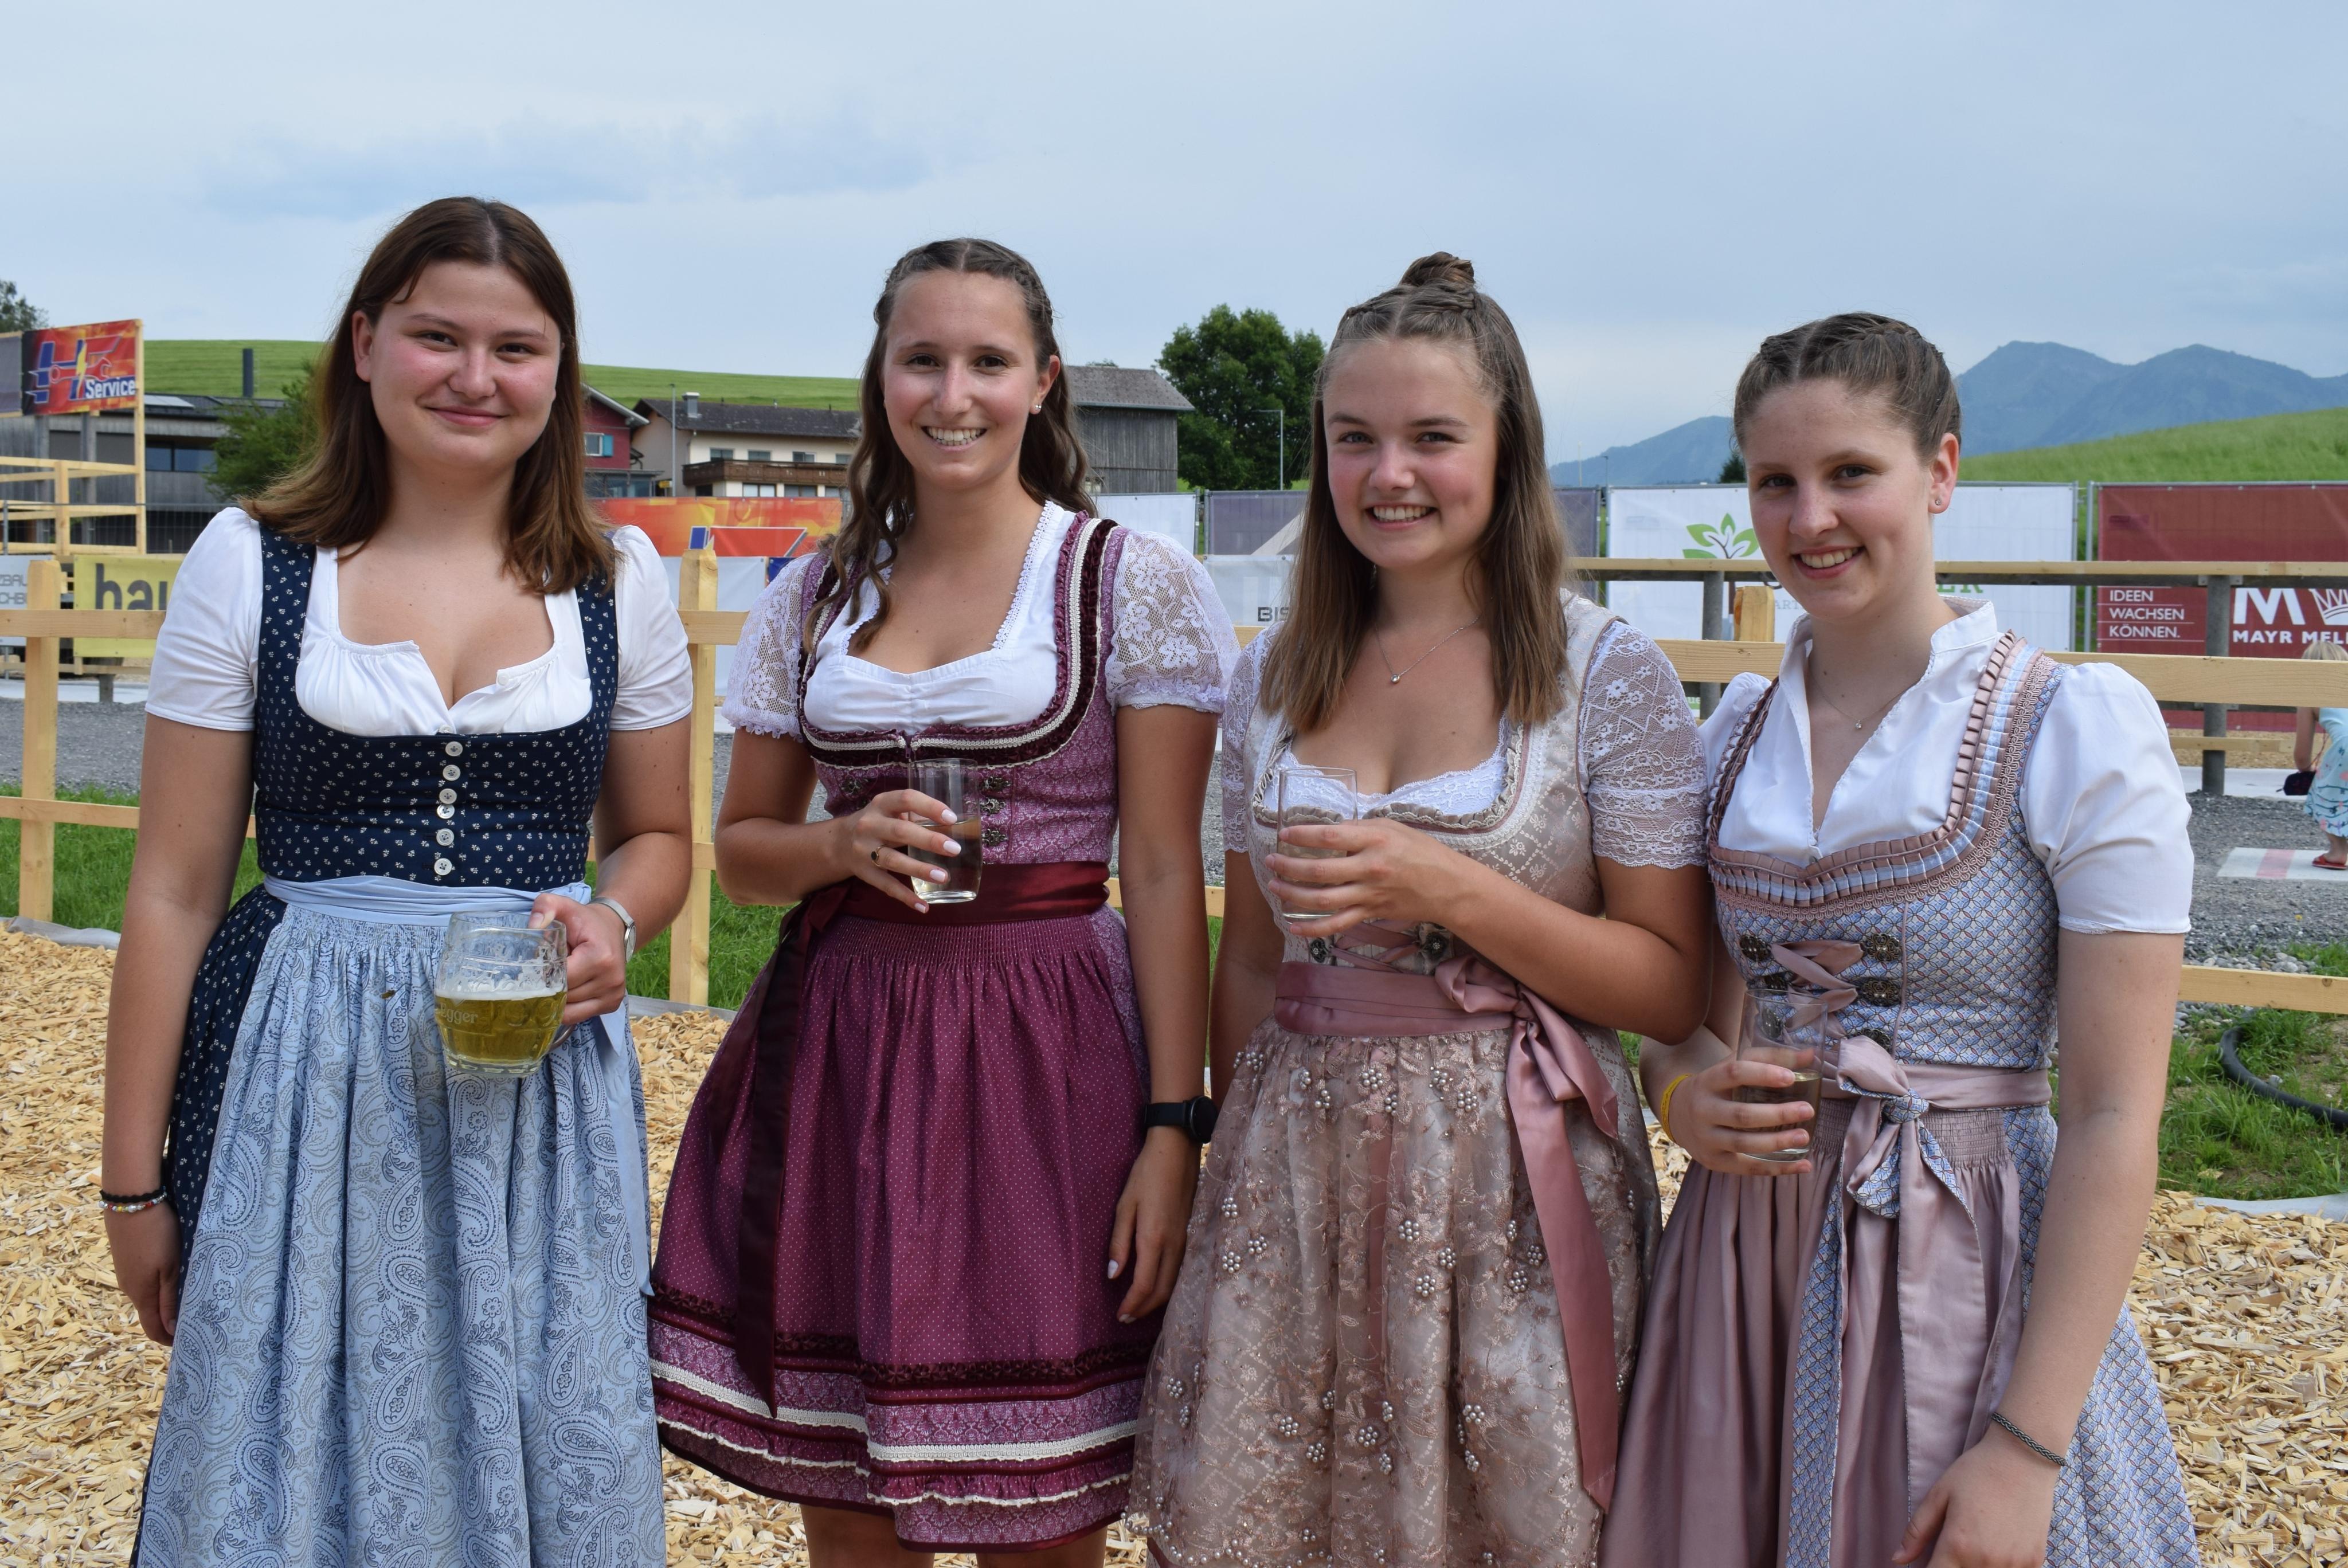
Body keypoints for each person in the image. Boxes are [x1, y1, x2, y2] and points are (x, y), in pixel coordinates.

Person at [103, 197, 691, 1563]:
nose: (475, 377)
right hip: (297, 1067)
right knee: (283, 1440)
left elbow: (659, 837)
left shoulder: (618, 581)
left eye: (516, 348)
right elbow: (173, 890)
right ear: (365, 345)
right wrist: (133, 1187)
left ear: (559, 373)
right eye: (437, 336)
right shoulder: (252, 562)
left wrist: (613, 918)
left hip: (532, 1077)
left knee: (537, 1418)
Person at [648, 237, 1238, 1564]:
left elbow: (1159, 869)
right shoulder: (814, 593)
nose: (952, 394)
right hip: (844, 1044)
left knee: (1042, 1493)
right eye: (922, 359)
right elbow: (744, 854)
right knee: (849, 1483)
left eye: (987, 361)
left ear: (1042, 381)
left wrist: (1172, 1126)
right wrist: (836, 843)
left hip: (1049, 1049)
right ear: (882, 377)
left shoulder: (1125, 581)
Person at [1130, 254, 1713, 1564]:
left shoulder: (1603, 671)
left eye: (1432, 438)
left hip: (1510, 1179)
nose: (1388, 474)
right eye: (1354, 439)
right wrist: (1236, 1168)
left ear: (1508, 449)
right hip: (1294, 1171)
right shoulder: (1275, 675)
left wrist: (1447, 886)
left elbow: (1669, 982)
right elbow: (1251, 963)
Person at [1607, 314, 2199, 1568]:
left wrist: (2027, 1447)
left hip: (1971, 1264)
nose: (1809, 517)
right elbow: (1682, 1028)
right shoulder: (1730, 741)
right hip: (1744, 1267)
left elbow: (2112, 1115)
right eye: (1774, 481)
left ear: (1939, 470)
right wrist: (1680, 1096)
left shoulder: (2067, 727)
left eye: (1849, 473)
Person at [2292, 640, 2348, 868]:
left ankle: (2338, 851)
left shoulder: (2311, 697)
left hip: (2345, 749)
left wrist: (2307, 769)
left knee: (2328, 792)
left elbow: (2302, 754)